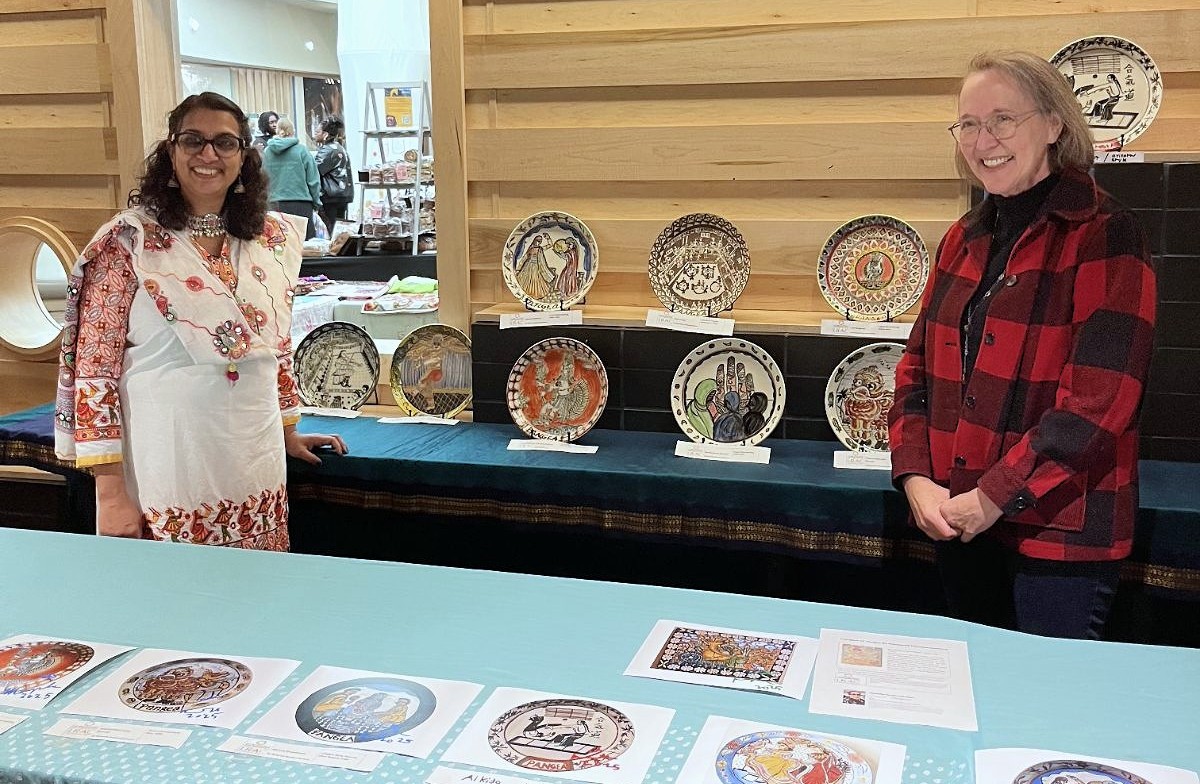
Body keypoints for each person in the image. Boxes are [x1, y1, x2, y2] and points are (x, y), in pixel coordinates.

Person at [888, 51, 1156, 639]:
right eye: (969, 124)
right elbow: (915, 371)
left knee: (1046, 715)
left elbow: (1098, 403)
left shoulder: (1106, 232)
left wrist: (993, 496)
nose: (984, 140)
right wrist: (915, 478)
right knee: (969, 698)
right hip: (960, 519)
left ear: (1055, 124)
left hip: (1059, 534)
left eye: (1003, 119)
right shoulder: (964, 236)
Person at [53, 92, 347, 551]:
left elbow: (275, 344)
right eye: (194, 140)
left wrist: (289, 430)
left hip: (254, 457)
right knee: (173, 602)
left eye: (225, 143)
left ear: (244, 157)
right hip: (170, 458)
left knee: (254, 597)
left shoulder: (269, 239)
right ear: (171, 151)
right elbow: (95, 369)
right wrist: (109, 494)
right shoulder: (127, 241)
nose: (208, 154)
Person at [262, 117, 321, 240]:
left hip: (274, 205)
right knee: (304, 246)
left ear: (277, 131)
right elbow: (313, 180)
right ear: (292, 131)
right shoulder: (301, 151)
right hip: (300, 204)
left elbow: (262, 179)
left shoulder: (267, 152)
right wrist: (316, 201)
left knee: (277, 246)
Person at [313, 116, 354, 234]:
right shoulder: (339, 147)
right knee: (340, 228)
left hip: (331, 196)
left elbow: (315, 170)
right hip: (342, 194)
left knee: (330, 228)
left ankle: (332, 250)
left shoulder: (327, 150)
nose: (315, 135)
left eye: (317, 132)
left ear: (325, 134)